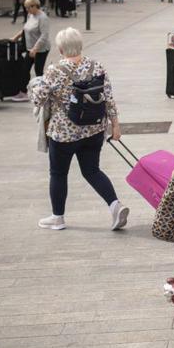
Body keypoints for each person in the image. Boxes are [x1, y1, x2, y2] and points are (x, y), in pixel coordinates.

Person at [28, 27, 128, 233]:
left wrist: (35, 85)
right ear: (80, 45)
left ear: (60, 48)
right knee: (92, 170)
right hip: (93, 130)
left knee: (58, 173)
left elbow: (39, 99)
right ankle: (115, 205)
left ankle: (58, 218)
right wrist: (115, 126)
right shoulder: (96, 66)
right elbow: (108, 98)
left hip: (64, 133)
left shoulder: (55, 70)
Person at [9, 0, 51, 102]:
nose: (27, 10)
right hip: (30, 48)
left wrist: (35, 49)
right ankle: (24, 92)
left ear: (35, 6)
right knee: (24, 69)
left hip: (41, 49)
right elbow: (25, 29)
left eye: (28, 7)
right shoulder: (30, 15)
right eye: (26, 8)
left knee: (38, 71)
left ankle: (43, 92)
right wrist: (15, 37)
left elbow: (44, 35)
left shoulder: (43, 18)